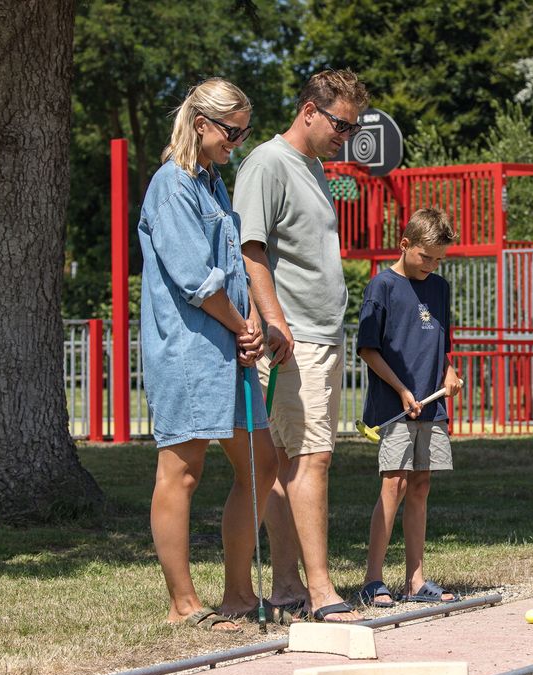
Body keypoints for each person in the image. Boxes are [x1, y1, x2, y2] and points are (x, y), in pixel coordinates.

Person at [138, 78, 277, 632]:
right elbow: (196, 278)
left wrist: (254, 324)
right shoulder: (171, 185)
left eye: (244, 133)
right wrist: (244, 324)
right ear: (202, 124)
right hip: (191, 348)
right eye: (231, 132)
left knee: (261, 462)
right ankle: (183, 605)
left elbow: (234, 265)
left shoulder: (213, 182)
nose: (237, 142)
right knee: (182, 469)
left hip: (231, 344)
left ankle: (240, 595)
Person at [233, 69, 369, 622]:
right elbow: (250, 247)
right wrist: (274, 320)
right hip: (294, 339)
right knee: (313, 460)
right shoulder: (267, 163)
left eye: (352, 126)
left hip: (320, 333)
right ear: (309, 110)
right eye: (340, 123)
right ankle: (320, 591)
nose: (346, 135)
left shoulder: (314, 167)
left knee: (292, 462)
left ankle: (288, 587)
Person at [355, 209, 464, 608]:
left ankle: (415, 582)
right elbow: (368, 349)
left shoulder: (439, 288)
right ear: (404, 244)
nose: (432, 266)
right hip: (394, 405)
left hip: (431, 407)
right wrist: (401, 389)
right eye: (427, 257)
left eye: (439, 259)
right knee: (394, 484)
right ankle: (372, 579)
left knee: (420, 485)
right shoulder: (381, 287)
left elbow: (441, 341)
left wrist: (449, 373)